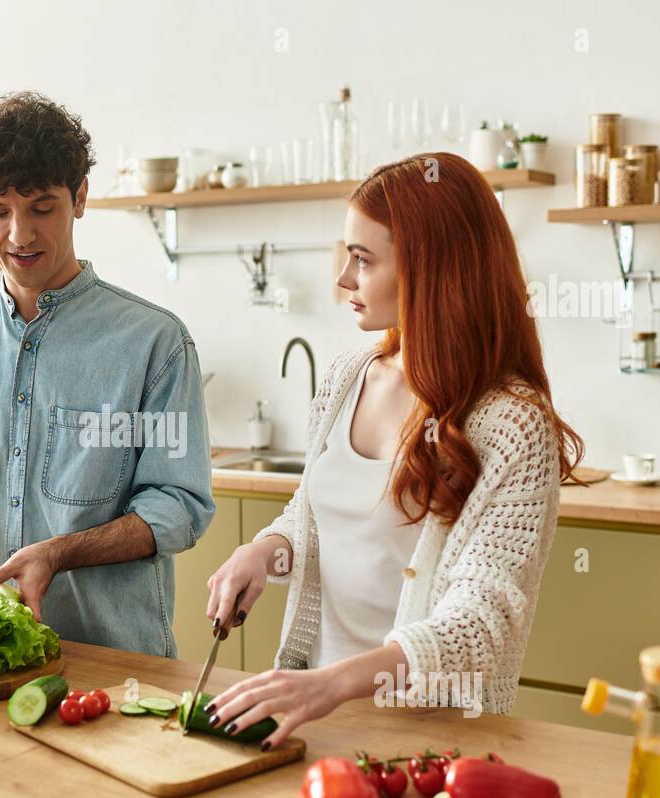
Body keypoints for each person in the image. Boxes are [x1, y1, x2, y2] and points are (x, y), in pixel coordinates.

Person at [204, 152, 584, 748]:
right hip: (313, 717)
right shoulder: (346, 376)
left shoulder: (513, 423)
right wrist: (267, 550)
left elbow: (479, 623)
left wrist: (335, 684)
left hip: (431, 738)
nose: (343, 279)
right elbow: (316, 514)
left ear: (433, 269)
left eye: (363, 259)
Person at [0, 91, 213, 656]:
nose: (20, 235)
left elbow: (178, 506)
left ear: (80, 198)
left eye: (42, 208)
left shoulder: (155, 342)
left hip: (114, 663)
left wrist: (59, 553)